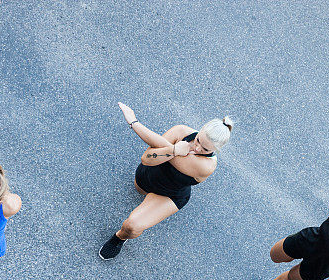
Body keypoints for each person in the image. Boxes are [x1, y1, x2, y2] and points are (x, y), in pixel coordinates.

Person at [98, 102, 233, 259]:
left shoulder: (206, 166)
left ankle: (119, 238)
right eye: (198, 141)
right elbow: (146, 159)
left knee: (131, 226)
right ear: (199, 130)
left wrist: (135, 124)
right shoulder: (181, 131)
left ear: (215, 150)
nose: (197, 149)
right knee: (138, 190)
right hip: (147, 176)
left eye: (205, 149)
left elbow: (156, 151)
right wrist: (174, 149)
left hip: (170, 194)